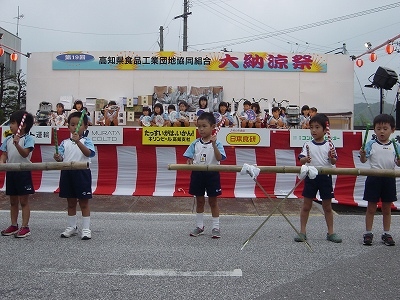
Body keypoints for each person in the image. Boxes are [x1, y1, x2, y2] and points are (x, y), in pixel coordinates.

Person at [295, 113, 342, 243]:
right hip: (311, 177)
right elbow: (301, 160)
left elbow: (333, 162)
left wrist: (331, 157)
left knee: (327, 206)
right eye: (311, 127)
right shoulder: (307, 144)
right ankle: (302, 232)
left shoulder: (330, 145)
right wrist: (305, 159)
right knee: (306, 205)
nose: (313, 130)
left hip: (325, 177)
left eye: (317, 127)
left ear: (324, 129)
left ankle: (331, 232)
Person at [53, 111, 96, 240]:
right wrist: (57, 157)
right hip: (67, 172)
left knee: (84, 202)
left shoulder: (86, 141)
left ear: (85, 127)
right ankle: (71, 227)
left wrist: (78, 142)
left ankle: (86, 228)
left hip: (82, 173)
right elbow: (60, 158)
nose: (75, 127)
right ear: (68, 126)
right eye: (72, 124)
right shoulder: (64, 143)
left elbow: (89, 154)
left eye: (78, 124)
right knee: (71, 202)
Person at [184, 112, 226, 238]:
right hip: (197, 174)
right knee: (200, 201)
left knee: (213, 202)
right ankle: (199, 226)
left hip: (212, 174)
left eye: (204, 126)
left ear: (213, 126)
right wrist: (189, 159)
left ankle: (216, 227)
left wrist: (213, 144)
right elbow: (189, 156)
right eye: (199, 126)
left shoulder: (217, 143)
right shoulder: (195, 143)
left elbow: (220, 158)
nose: (201, 129)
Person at [359, 114, 400, 246]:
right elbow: (363, 160)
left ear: (392, 130)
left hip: (389, 178)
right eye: (378, 128)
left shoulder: (395, 145)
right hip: (373, 178)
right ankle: (368, 232)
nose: (381, 131)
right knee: (371, 208)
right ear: (374, 130)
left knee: (387, 208)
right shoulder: (370, 144)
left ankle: (386, 233)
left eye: (385, 128)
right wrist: (363, 155)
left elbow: (398, 163)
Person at [0, 111, 35, 238]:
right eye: (10, 123)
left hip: (23, 172)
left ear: (23, 125)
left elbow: (25, 154)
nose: (10, 126)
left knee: (24, 201)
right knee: (13, 201)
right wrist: (2, 163)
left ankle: (25, 226)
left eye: (13, 123)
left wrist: (17, 144)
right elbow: (4, 154)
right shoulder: (8, 139)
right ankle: (13, 224)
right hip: (11, 172)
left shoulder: (29, 138)